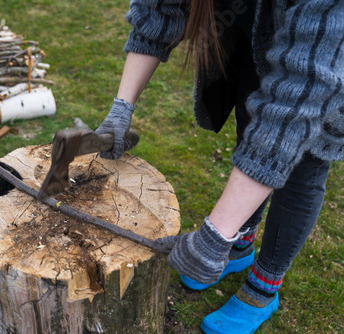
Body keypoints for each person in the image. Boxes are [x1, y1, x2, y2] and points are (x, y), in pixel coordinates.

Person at [94, 0, 344, 333]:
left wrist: (212, 236)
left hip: (326, 67)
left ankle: (264, 286)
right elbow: (160, 9)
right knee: (251, 131)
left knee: (303, 169)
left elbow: (294, 106)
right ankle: (239, 244)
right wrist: (121, 108)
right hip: (257, 35)